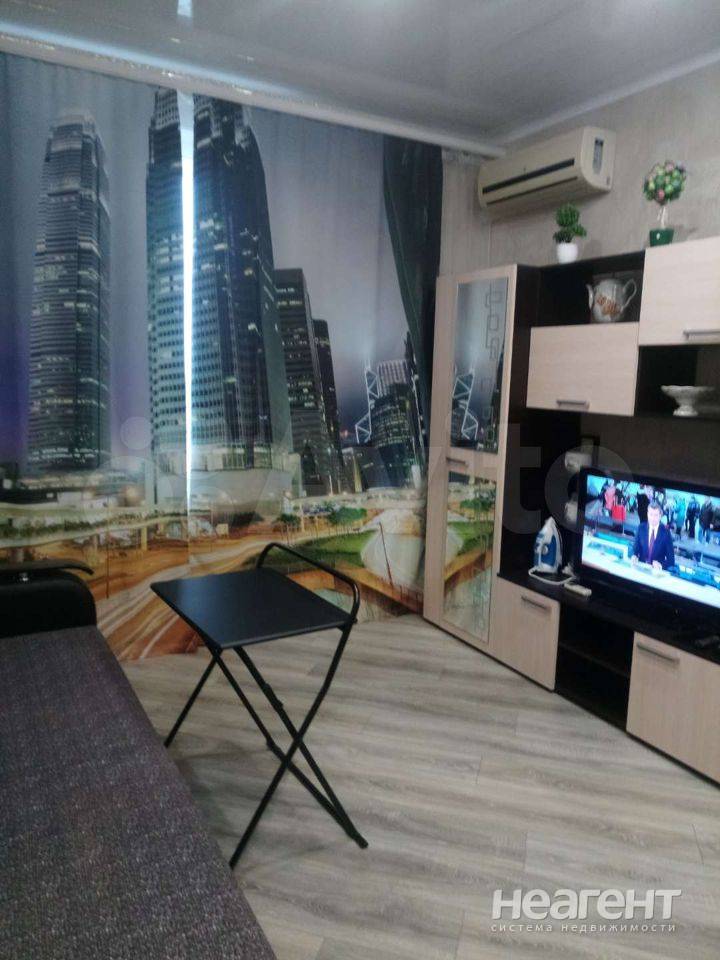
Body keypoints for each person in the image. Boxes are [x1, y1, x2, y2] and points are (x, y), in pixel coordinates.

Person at [630, 500, 675, 571]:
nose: (653, 518)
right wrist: (634, 555)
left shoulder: (666, 533)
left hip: (656, 571)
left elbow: (671, 560)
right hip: (640, 567)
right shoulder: (641, 528)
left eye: (656, 515)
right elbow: (635, 549)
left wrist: (661, 564)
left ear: (660, 516)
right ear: (647, 514)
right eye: (651, 514)